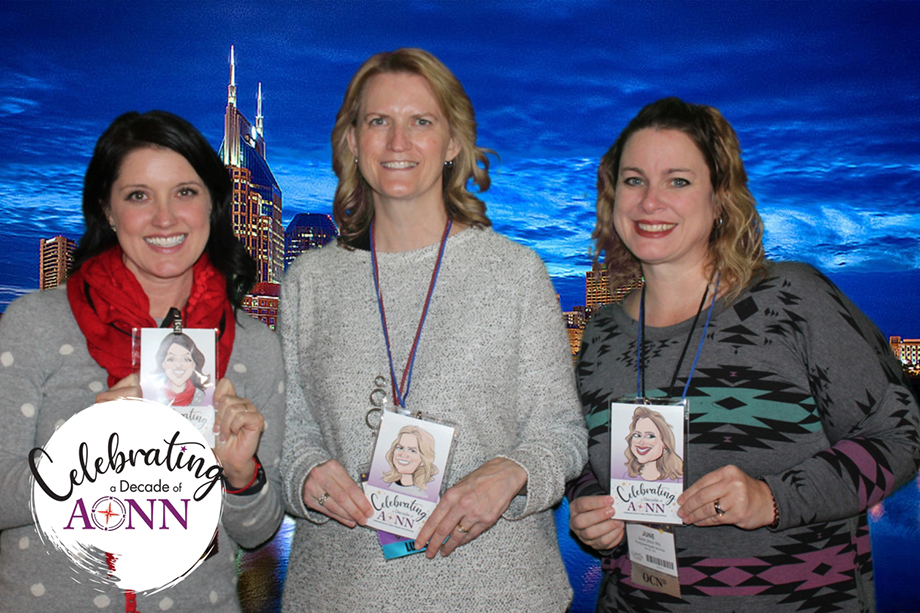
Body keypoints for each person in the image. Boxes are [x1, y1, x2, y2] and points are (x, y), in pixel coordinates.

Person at [567, 97, 920, 612]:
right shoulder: (601, 333)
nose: (650, 201)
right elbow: (581, 457)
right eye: (634, 180)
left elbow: (900, 434)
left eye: (678, 181)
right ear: (611, 197)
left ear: (719, 200)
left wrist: (772, 498)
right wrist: (587, 507)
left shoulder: (792, 299)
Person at [280, 48, 586, 612]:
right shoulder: (309, 281)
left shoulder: (515, 273)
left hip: (498, 595)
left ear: (452, 143)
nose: (398, 142)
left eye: (421, 121)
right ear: (352, 141)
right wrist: (302, 472)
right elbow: (288, 431)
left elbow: (562, 433)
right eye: (379, 121)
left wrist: (514, 471)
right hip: (341, 594)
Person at [0, 111, 285, 612]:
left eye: (185, 192)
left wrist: (242, 475)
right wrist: (87, 452)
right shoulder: (35, 325)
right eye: (138, 195)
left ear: (213, 204)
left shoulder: (254, 346)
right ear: (107, 211)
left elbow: (257, 530)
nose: (164, 218)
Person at [623, 406, 682, 482]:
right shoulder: (626, 477)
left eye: (650, 436)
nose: (641, 442)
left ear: (665, 443)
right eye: (637, 435)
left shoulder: (676, 481)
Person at [152, 332, 210, 406]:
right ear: (163, 363)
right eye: (171, 359)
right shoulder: (156, 394)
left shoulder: (200, 396)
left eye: (186, 359)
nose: (178, 365)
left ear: (194, 364)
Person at [382, 425, 438, 496]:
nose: (404, 455)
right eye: (400, 448)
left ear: (423, 460)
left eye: (412, 451)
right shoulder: (387, 487)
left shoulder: (424, 496)